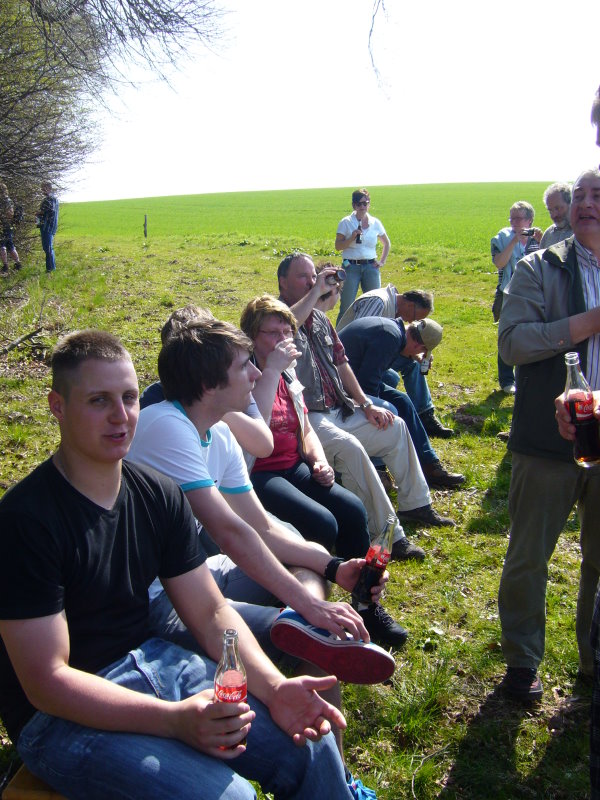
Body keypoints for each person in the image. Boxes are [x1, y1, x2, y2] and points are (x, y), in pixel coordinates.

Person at [0, 329, 354, 800]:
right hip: (59, 720)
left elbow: (210, 612)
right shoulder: (25, 521)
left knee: (311, 742)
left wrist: (273, 687)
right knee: (232, 796)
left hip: (155, 662)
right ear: (57, 406)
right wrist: (174, 721)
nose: (121, 416)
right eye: (99, 401)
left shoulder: (156, 493)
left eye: (129, 398)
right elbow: (47, 682)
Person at [240, 294, 409, 648]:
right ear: (253, 337)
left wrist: (318, 459)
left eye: (287, 332)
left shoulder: (288, 373)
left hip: (293, 464)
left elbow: (305, 427)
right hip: (258, 474)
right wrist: (272, 370)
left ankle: (366, 605)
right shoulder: (247, 375)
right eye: (273, 333)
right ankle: (311, 611)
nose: (283, 340)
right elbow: (257, 432)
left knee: (353, 509)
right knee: (322, 523)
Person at [277, 252, 456, 562]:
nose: (311, 282)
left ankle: (416, 505)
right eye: (302, 277)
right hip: (306, 418)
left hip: (339, 407)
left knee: (395, 427)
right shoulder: (273, 316)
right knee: (351, 449)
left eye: (313, 276)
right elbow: (286, 326)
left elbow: (342, 364)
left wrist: (366, 404)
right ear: (282, 282)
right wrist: (317, 291)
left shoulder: (320, 319)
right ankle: (388, 536)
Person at [497, 169, 600, 701]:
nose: (584, 203)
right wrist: (589, 321)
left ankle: (593, 662)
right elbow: (512, 342)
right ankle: (522, 661)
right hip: (546, 436)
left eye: (597, 195)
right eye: (578, 195)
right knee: (529, 556)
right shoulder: (539, 266)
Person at [338, 315, 465, 489]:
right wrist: (373, 407)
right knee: (387, 410)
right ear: (418, 346)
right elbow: (368, 384)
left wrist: (413, 357)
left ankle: (429, 464)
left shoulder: (394, 331)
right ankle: (377, 467)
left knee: (402, 400)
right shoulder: (389, 339)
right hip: (339, 385)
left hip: (353, 378)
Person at [337, 284, 452, 438]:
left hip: (375, 352)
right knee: (392, 378)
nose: (411, 322)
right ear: (410, 305)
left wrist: (414, 355)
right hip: (347, 361)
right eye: (415, 318)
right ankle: (378, 413)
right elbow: (362, 342)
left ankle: (424, 414)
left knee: (413, 365)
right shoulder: (378, 302)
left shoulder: (394, 312)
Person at [491, 200, 542, 393]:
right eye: (511, 218)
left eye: (518, 218)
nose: (514, 222)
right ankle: (507, 380)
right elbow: (499, 263)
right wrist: (514, 241)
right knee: (507, 335)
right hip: (508, 293)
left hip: (533, 293)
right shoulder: (501, 238)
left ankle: (529, 376)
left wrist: (542, 241)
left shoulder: (537, 237)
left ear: (529, 220)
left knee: (531, 335)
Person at [334, 189, 391, 323]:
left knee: (375, 303)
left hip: (370, 267)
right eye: (359, 204)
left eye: (365, 203)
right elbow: (338, 246)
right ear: (354, 205)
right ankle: (340, 333)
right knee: (347, 306)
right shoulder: (346, 222)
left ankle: (372, 330)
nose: (363, 207)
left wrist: (382, 261)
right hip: (350, 266)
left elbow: (386, 243)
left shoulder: (375, 222)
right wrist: (352, 237)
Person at [540, 183, 573, 248]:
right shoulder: (548, 234)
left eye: (558, 208)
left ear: (571, 204)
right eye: (550, 210)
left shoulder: (583, 233)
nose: (554, 215)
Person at [37, 180, 59, 273]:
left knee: (48, 247)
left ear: (49, 188)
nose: (42, 190)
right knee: (48, 247)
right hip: (51, 226)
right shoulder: (54, 199)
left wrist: (39, 212)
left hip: (47, 226)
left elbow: (50, 210)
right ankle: (51, 268)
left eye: (43, 188)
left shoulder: (49, 199)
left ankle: (50, 268)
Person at [0, 183, 22, 274]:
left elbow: (10, 214)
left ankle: (5, 266)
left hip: (5, 226)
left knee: (2, 246)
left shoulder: (6, 201)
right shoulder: (7, 200)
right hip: (8, 226)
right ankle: (18, 264)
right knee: (10, 246)